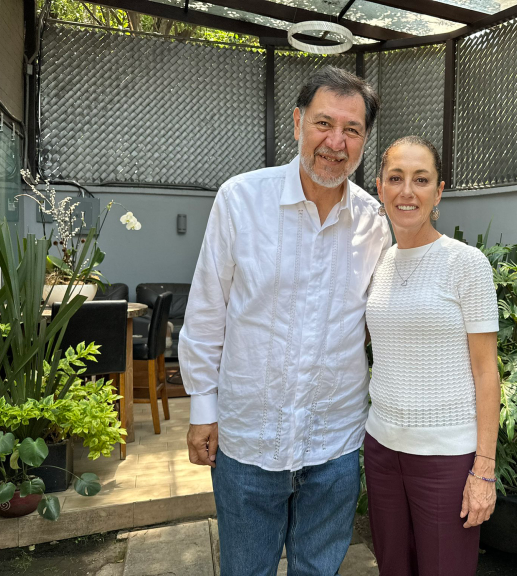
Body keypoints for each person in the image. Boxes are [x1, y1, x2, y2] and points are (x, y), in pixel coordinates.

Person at [179, 66, 390, 576]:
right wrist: (202, 407)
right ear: (297, 123)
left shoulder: (374, 222)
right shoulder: (240, 200)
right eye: (323, 123)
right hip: (249, 436)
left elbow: (377, 325)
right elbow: (208, 311)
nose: (335, 143)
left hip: (334, 443)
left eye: (352, 130)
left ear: (364, 140)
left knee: (319, 570)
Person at [364, 136, 500, 576]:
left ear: (438, 191)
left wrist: (483, 471)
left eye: (421, 180)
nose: (407, 191)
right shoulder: (377, 264)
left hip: (447, 459)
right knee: (392, 569)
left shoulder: (466, 263)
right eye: (396, 178)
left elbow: (486, 373)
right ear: (380, 188)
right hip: (383, 451)